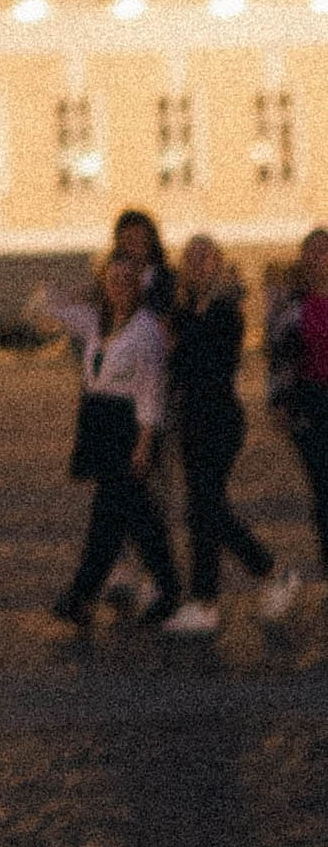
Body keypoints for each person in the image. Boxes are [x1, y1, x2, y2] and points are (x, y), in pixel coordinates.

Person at [162, 236, 295, 634]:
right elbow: (182, 363)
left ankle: (267, 572)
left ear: (219, 264)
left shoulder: (226, 308)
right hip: (191, 418)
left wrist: (183, 345)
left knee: (205, 508)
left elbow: (213, 363)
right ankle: (206, 603)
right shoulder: (185, 309)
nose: (197, 264)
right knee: (204, 508)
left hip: (220, 418)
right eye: (191, 257)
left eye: (206, 257)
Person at [44, 250, 181, 629]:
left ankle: (83, 595)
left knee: (115, 515)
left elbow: (152, 389)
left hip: (128, 427)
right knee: (130, 516)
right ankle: (165, 589)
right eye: (112, 279)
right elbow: (46, 307)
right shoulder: (95, 321)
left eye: (126, 280)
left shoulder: (147, 328)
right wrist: (86, 288)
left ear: (138, 286)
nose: (118, 286)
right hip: (97, 421)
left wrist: (144, 441)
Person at [269, 224, 328, 593]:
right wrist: (277, 402)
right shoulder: (292, 303)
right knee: (323, 488)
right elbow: (277, 355)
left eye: (324, 251)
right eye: (312, 252)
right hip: (310, 401)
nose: (318, 258)